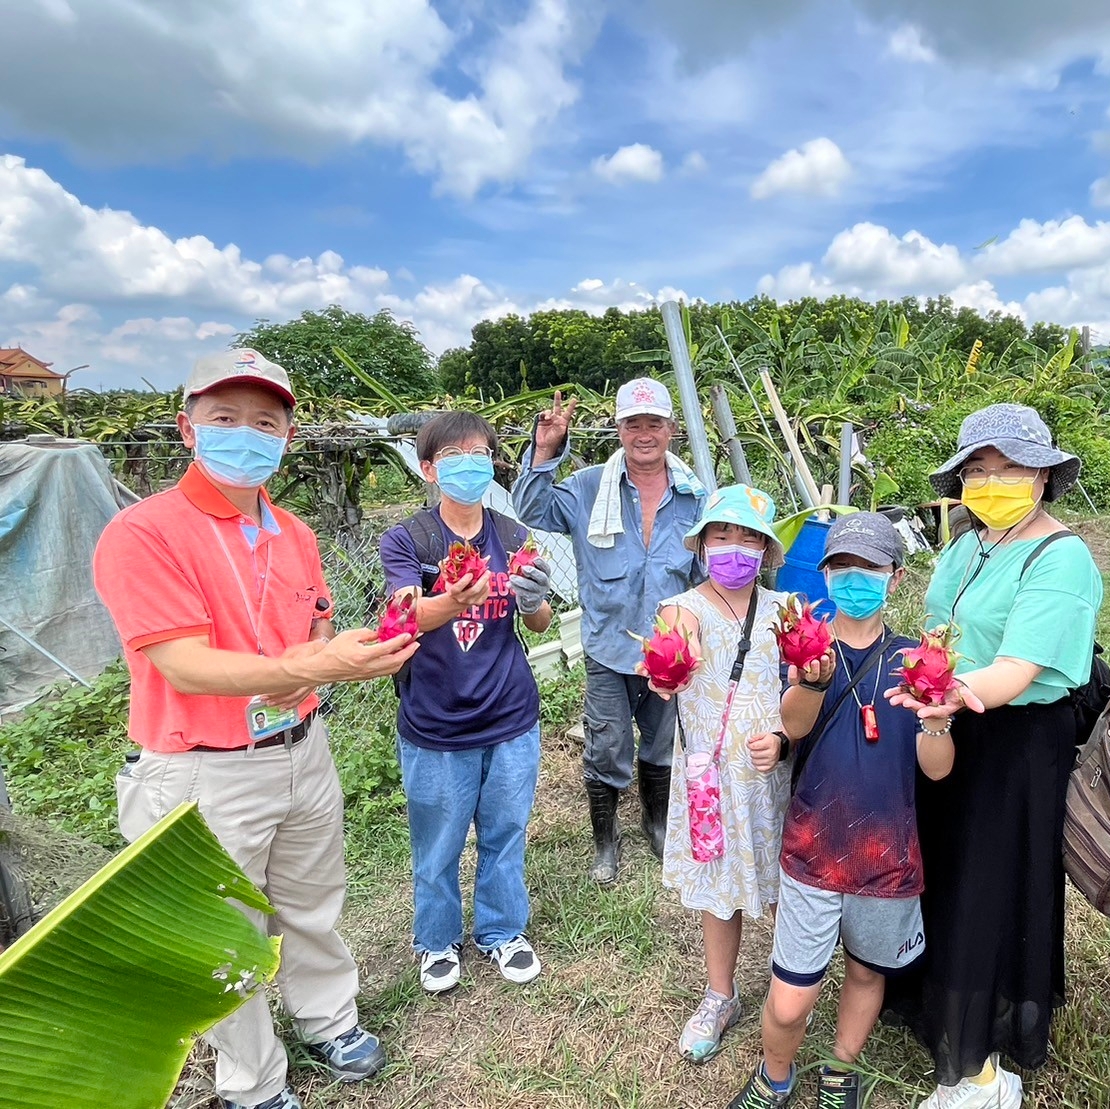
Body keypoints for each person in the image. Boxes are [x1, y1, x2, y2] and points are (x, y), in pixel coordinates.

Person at [94, 349, 419, 1109]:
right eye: (225, 418)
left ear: (287, 438)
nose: (247, 434)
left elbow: (309, 638)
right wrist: (322, 666)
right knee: (220, 932)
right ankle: (253, 1080)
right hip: (204, 767)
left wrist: (350, 654)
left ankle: (327, 1018)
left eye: (265, 421)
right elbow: (186, 665)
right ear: (187, 428)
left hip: (302, 748)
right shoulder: (144, 533)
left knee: (311, 899)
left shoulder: (294, 533)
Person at [885, 403, 1104, 1109]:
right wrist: (928, 685)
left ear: (1042, 474)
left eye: (1006, 467)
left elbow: (1013, 670)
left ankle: (978, 1056)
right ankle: (937, 993)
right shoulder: (966, 542)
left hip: (1013, 738)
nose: (991, 480)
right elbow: (937, 627)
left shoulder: (1058, 555)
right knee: (941, 867)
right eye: (977, 469)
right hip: (949, 720)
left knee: (987, 882)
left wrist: (940, 692)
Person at [725, 513, 952, 1109]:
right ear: (825, 576)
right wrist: (812, 683)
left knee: (866, 972)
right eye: (842, 568)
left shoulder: (917, 660)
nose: (855, 580)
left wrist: (936, 720)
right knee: (790, 996)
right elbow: (792, 727)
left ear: (894, 578)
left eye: (869, 569)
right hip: (812, 851)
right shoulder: (805, 646)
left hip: (888, 857)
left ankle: (839, 1067)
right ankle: (775, 1074)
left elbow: (938, 769)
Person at [379, 411, 555, 996]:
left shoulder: (511, 535)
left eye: (479, 453)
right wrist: (451, 599)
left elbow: (537, 619)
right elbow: (403, 616)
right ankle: (436, 940)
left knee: (506, 830)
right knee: (439, 839)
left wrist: (534, 598)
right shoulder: (409, 539)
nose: (469, 464)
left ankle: (502, 930)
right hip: (435, 719)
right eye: (454, 456)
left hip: (510, 714)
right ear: (428, 469)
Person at [513, 378, 708, 883]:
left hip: (668, 650)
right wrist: (545, 450)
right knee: (606, 745)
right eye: (633, 423)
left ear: (671, 430)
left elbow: (702, 575)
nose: (644, 434)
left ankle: (656, 822)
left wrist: (695, 640)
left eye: (654, 423)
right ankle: (606, 841)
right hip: (607, 646)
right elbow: (533, 509)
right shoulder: (587, 487)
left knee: (662, 744)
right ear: (618, 429)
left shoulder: (693, 497)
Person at [646, 485, 790, 1066]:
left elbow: (803, 688)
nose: (735, 547)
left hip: (771, 772)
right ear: (702, 543)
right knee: (718, 890)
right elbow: (674, 653)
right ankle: (719, 993)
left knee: (786, 883)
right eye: (722, 535)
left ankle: (792, 986)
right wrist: (667, 667)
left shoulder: (785, 610)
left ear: (766, 550)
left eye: (749, 538)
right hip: (710, 778)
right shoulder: (681, 608)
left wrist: (782, 741)